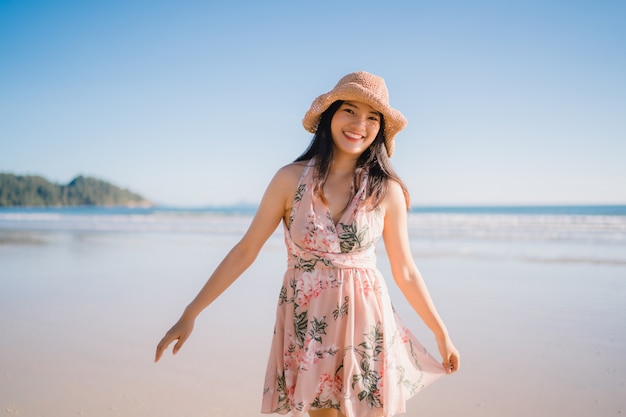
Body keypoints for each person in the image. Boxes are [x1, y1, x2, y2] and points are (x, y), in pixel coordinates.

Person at [155, 71, 460, 417]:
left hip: (365, 324)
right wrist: (190, 313)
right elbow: (245, 251)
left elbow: (405, 270)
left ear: (380, 129)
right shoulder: (289, 180)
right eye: (350, 110)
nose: (360, 123)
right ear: (330, 114)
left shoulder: (385, 190)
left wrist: (440, 332)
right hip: (308, 320)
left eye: (372, 117)